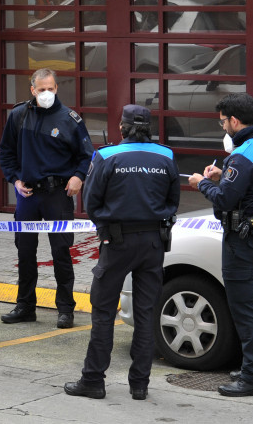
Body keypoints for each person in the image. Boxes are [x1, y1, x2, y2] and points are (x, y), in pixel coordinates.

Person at [64, 104, 179, 401]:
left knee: (103, 313)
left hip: (116, 243)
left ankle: (93, 380)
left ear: (122, 128)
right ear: (149, 128)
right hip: (153, 242)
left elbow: (92, 203)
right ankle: (139, 385)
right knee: (145, 313)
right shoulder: (166, 155)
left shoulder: (105, 155)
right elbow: (173, 200)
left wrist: (108, 227)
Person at [188, 93, 253, 397]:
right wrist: (222, 176)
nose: (223, 128)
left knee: (245, 307)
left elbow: (225, 199)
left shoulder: (240, 156)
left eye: (223, 122)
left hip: (241, 239)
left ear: (235, 121)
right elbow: (245, 186)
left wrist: (203, 182)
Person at [0, 68, 94, 328]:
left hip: (58, 194)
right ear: (32, 90)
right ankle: (25, 306)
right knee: (25, 252)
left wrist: (78, 177)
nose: (46, 93)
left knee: (61, 252)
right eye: (41, 89)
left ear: (56, 88)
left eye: (51, 88)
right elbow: (5, 153)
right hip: (28, 195)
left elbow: (86, 155)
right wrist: (15, 180)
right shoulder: (19, 115)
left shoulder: (69, 118)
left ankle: (65, 309)